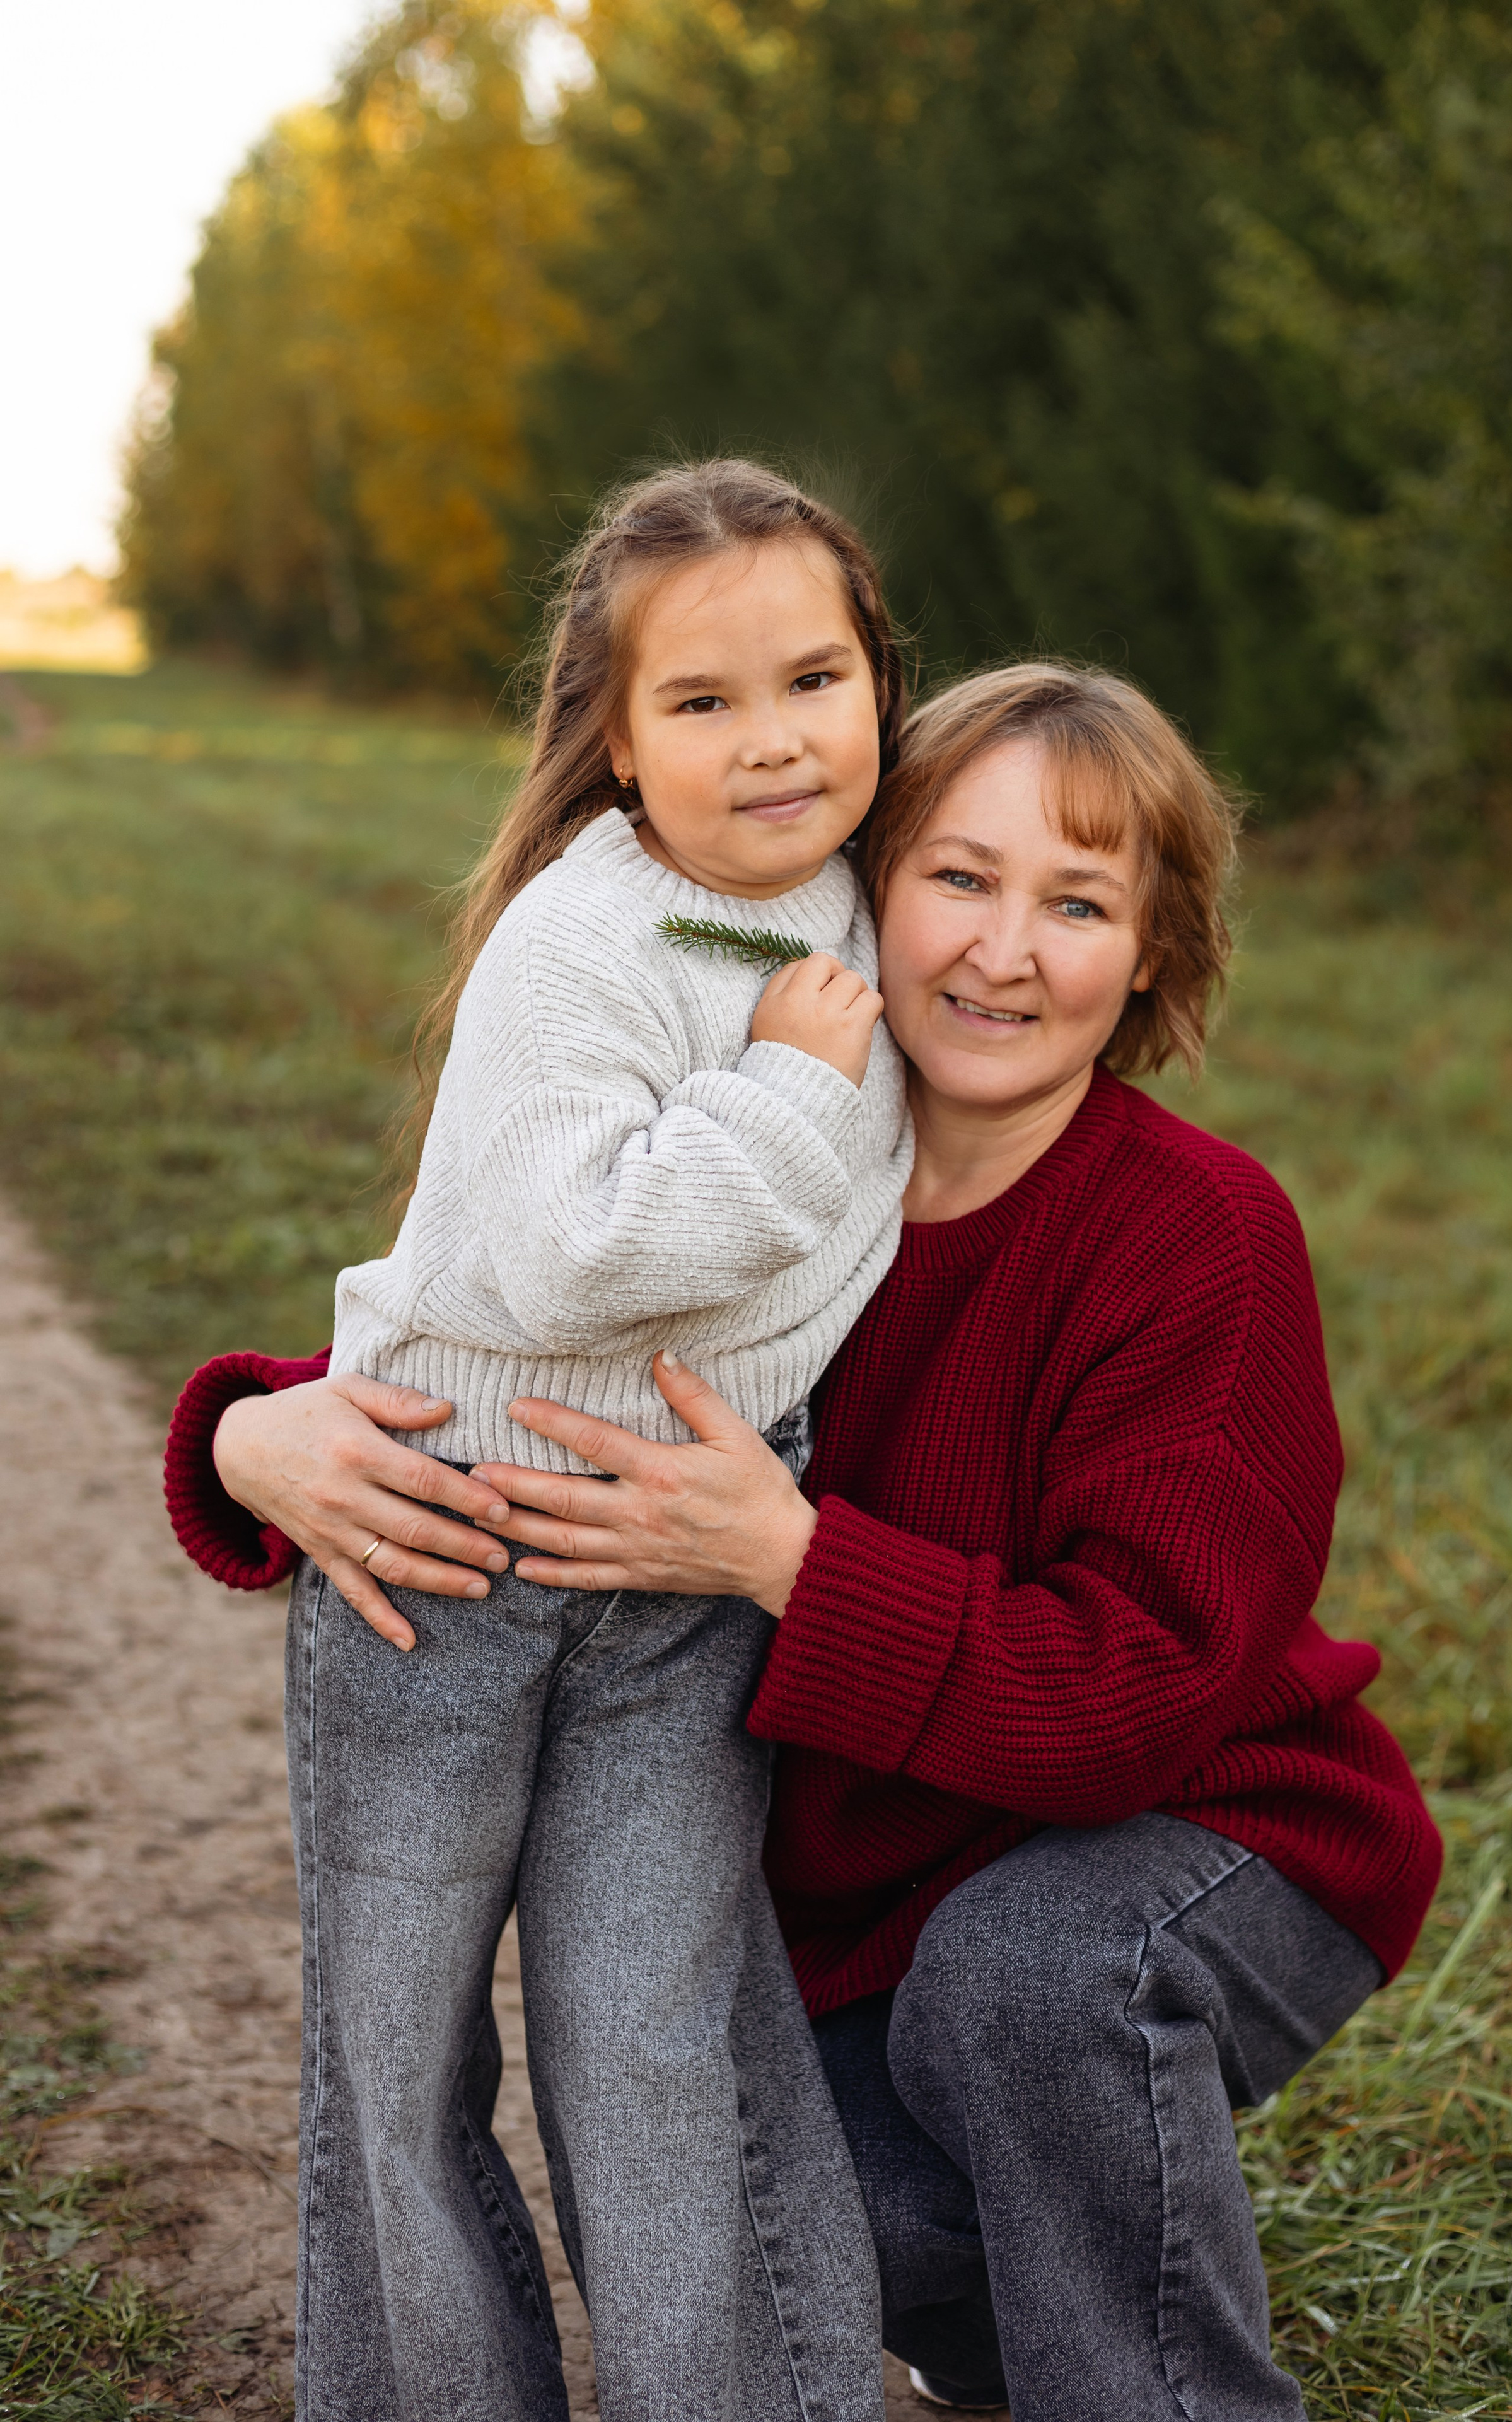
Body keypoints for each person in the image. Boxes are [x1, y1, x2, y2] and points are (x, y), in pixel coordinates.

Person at [166, 660, 1443, 2421]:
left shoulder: (1198, 1238)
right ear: (866, 891)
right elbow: (532, 1352)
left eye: (1077, 902)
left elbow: (1136, 1699)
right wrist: (251, 1429)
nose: (1003, 949)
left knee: (1033, 1975)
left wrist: (793, 1558)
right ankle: (1012, 2316)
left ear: (1152, 951)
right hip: (896, 1916)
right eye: (959, 878)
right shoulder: (786, 1161)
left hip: (1209, 1832)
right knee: (711, 2214)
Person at [193, 457, 926, 2422]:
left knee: (656, 2037)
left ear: (879, 681)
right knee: (402, 2038)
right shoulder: (583, 944)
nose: (773, 742)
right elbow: (581, 1253)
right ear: (612, 740)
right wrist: (784, 1088)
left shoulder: (885, 888)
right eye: (701, 703)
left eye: (815, 679)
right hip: (441, 1550)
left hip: (679, 1582)